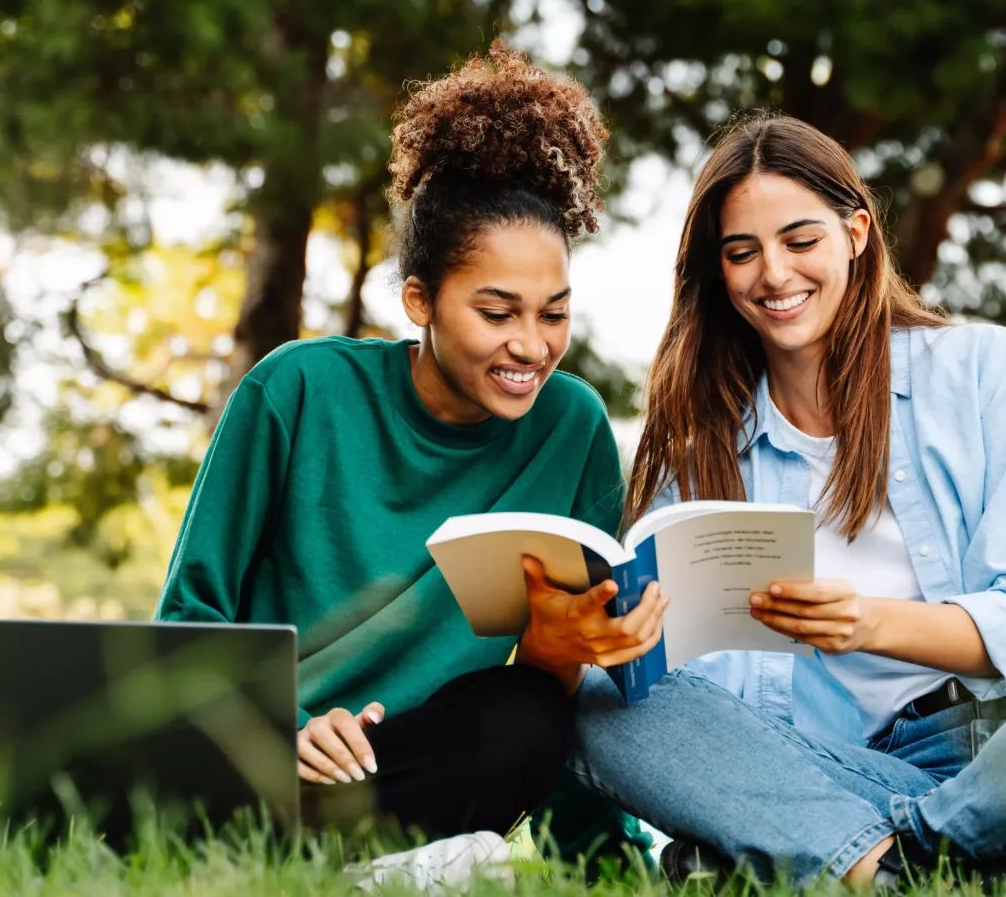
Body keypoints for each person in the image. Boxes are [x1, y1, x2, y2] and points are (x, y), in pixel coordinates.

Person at [570, 115, 1006, 887]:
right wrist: (625, 641)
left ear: (855, 232)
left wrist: (867, 623)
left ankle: (885, 865)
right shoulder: (707, 454)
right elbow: (708, 713)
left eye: (799, 240)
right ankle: (908, 861)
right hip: (858, 774)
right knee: (589, 698)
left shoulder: (988, 371)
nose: (773, 273)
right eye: (741, 252)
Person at [156, 42, 667, 846]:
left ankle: (303, 850)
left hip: (413, 766)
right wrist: (285, 724)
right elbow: (191, 613)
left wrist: (603, 856)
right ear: (419, 299)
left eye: (553, 312)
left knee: (524, 716)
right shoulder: (296, 388)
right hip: (264, 749)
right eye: (498, 313)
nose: (532, 345)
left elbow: (573, 668)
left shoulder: (572, 426)